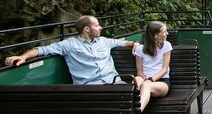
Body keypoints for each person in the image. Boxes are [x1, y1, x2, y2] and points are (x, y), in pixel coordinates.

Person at [4, 15, 139, 84]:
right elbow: (42, 50)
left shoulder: (104, 41)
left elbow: (124, 42)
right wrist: (23, 57)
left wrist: (134, 44)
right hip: (90, 88)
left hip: (114, 83)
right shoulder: (69, 45)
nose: (100, 28)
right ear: (87, 29)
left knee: (135, 89)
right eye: (97, 25)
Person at [133, 21, 172, 111]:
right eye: (164, 31)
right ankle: (124, 107)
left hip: (162, 82)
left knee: (146, 85)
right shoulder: (140, 49)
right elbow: (139, 72)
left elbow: (164, 69)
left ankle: (138, 112)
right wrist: (145, 79)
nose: (167, 33)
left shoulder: (167, 46)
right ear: (155, 35)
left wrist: (150, 80)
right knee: (137, 80)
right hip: (144, 79)